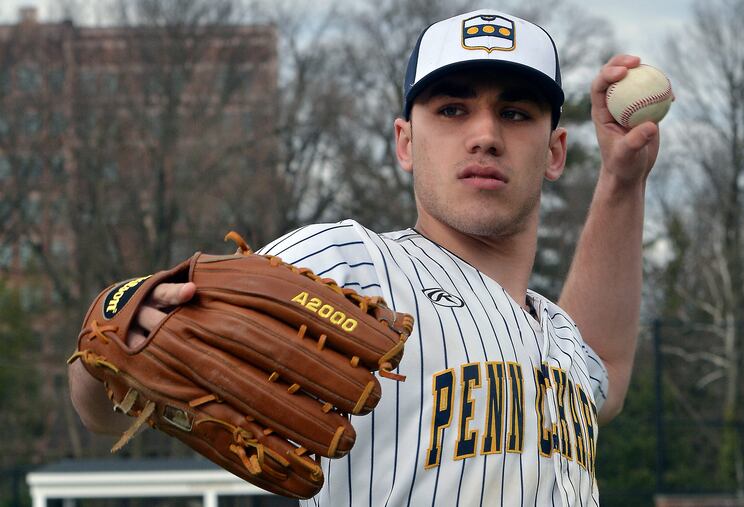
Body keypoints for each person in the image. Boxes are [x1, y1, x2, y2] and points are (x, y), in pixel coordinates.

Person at [69, 8, 662, 506]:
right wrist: (123, 328)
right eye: (452, 110)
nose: (485, 134)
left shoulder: (558, 335)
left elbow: (606, 369)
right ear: (406, 142)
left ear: (556, 152)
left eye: (515, 113)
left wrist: (623, 180)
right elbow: (106, 406)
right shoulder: (351, 264)